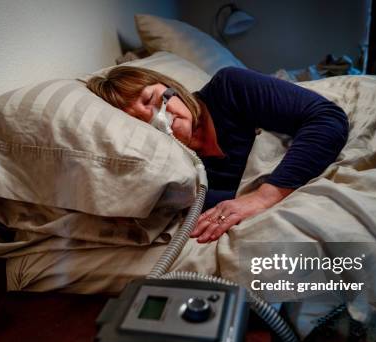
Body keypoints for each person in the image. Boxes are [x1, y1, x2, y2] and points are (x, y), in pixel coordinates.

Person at [86, 66, 349, 244]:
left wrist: (265, 196)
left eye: (151, 99)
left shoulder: (230, 88)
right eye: (141, 122)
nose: (159, 118)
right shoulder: (175, 173)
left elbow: (328, 118)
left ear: (169, 87)